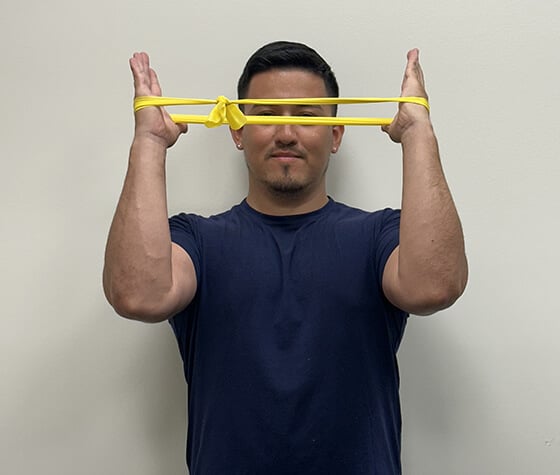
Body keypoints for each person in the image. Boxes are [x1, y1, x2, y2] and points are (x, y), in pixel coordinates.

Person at [103, 41, 468, 475]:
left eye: (306, 117)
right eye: (267, 116)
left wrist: (418, 132)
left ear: (336, 135)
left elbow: (435, 286)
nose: (286, 133)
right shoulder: (195, 240)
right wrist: (148, 141)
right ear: (237, 131)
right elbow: (137, 295)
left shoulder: (380, 236)